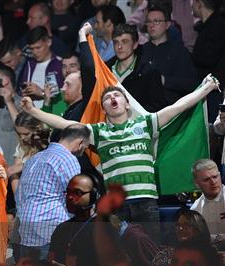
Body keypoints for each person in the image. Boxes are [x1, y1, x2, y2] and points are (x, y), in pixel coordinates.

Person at [21, 74, 221, 242]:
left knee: (150, 256)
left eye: (117, 95)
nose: (113, 99)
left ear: (127, 105)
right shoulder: (98, 132)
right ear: (104, 109)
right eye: (108, 98)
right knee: (121, 258)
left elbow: (177, 107)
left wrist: (205, 89)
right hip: (117, 206)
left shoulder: (145, 123)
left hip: (146, 202)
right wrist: (32, 110)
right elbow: (65, 124)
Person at [16, 125, 91, 260]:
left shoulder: (34, 158)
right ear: (80, 143)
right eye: (85, 147)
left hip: (26, 232)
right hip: (50, 232)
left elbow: (19, 195)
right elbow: (76, 197)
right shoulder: (68, 159)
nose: (84, 150)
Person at [140, 4, 198, 105]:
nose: (151, 25)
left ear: (167, 25)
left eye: (156, 21)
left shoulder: (179, 52)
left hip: (171, 107)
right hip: (144, 106)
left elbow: (191, 83)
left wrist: (164, 80)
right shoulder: (141, 50)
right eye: (148, 21)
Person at [106, 23, 168, 112]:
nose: (119, 47)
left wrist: (132, 113)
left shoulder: (149, 72)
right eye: (116, 42)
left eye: (125, 41)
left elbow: (158, 107)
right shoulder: (105, 69)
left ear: (135, 45)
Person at [18, 27, 64, 109]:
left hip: (51, 115)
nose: (35, 52)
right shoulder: (29, 64)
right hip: (31, 115)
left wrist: (42, 93)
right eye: (32, 48)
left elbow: (64, 96)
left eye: (38, 47)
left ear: (49, 42)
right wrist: (24, 92)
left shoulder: (59, 64)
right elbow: (20, 90)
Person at [8, 112, 51, 194]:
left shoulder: (49, 141)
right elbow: (14, 171)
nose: (22, 138)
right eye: (19, 134)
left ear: (37, 129)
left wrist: (24, 166)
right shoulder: (22, 145)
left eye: (26, 134)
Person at [190, 158, 225, 244]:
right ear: (197, 184)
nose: (213, 182)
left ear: (220, 176)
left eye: (215, 177)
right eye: (206, 179)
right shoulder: (195, 209)